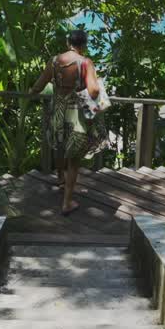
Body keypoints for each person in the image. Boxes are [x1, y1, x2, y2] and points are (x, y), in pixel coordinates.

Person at [29, 29, 106, 216]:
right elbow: (94, 91)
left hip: (58, 112)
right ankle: (67, 202)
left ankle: (60, 179)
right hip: (77, 116)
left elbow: (38, 86)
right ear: (84, 44)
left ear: (68, 43)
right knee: (74, 159)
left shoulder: (54, 61)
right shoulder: (85, 62)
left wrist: (29, 94)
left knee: (59, 146)